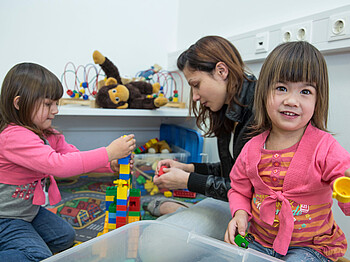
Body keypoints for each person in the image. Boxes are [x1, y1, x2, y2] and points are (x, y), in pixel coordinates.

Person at [224, 41, 350, 262]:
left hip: (311, 247)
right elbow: (239, 190)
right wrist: (240, 214)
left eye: (305, 91)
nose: (291, 101)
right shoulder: (251, 148)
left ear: (318, 99)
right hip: (259, 242)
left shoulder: (325, 147)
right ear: (264, 93)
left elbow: (345, 189)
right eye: (281, 88)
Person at [0, 62, 136, 262]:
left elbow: (72, 155)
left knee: (65, 237)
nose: (55, 110)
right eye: (48, 104)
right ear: (19, 103)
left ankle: (21, 239)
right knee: (36, 256)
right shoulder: (14, 137)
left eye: (56, 103)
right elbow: (59, 166)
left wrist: (109, 164)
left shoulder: (47, 133)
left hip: (29, 211)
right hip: (6, 218)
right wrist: (108, 152)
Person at [145, 35, 257, 240]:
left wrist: (188, 180)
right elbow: (233, 171)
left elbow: (248, 191)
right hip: (236, 207)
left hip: (258, 216)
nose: (195, 96)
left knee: (155, 242)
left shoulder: (259, 113)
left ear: (221, 71)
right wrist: (189, 169)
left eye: (196, 84)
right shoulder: (231, 108)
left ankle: (178, 209)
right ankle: (180, 210)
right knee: (157, 238)